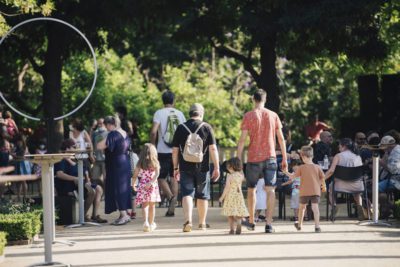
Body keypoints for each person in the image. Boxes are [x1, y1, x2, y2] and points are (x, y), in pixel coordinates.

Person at [237, 89, 288, 233]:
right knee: (270, 189)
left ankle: (252, 221)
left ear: (253, 99)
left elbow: (242, 141)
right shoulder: (273, 115)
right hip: (271, 157)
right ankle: (269, 224)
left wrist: (238, 160)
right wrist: (284, 158)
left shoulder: (248, 116)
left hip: (253, 158)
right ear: (265, 99)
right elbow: (281, 139)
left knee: (251, 189)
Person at [172, 103, 220, 232]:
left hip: (185, 166)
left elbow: (175, 151)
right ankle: (202, 223)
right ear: (201, 113)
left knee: (187, 193)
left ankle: (188, 221)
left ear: (190, 113)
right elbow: (213, 148)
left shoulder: (181, 128)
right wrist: (217, 167)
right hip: (202, 167)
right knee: (202, 195)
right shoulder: (207, 127)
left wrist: (175, 168)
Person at [150, 91, 185, 217]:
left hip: (162, 151)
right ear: (173, 101)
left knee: (160, 177)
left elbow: (154, 132)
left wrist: (152, 146)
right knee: (174, 176)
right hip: (177, 150)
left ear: (162, 100)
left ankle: (170, 197)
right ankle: (172, 207)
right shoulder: (180, 114)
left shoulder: (159, 113)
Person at [55, 139, 107, 223]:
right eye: (74, 147)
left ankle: (94, 215)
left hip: (80, 183)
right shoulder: (62, 159)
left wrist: (87, 179)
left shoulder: (76, 158)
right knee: (92, 191)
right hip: (69, 186)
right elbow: (59, 174)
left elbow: (84, 171)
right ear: (67, 149)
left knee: (99, 189)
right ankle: (83, 216)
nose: (76, 148)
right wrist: (75, 178)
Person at [97, 116, 132, 225]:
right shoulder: (124, 133)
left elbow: (99, 146)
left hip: (116, 163)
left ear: (108, 124)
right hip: (125, 161)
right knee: (124, 187)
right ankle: (125, 213)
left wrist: (105, 136)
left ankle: (124, 215)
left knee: (117, 188)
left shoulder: (113, 134)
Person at [284, 146, 326, 232]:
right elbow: (322, 178)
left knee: (302, 208)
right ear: (312, 156)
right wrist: (323, 186)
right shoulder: (318, 167)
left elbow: (293, 177)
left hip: (304, 191)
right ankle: (317, 226)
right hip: (315, 190)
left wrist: (285, 172)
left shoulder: (301, 168)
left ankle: (299, 225)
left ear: (303, 157)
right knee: (315, 208)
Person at [325, 138, 365, 220]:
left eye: (339, 144)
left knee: (330, 188)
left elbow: (331, 171)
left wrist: (322, 179)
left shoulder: (338, 156)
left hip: (340, 185)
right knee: (357, 193)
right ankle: (359, 206)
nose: (338, 146)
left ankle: (334, 206)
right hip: (357, 185)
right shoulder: (358, 156)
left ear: (344, 146)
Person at [132, 143, 161, 232]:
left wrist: (133, 184)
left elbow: (135, 175)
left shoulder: (140, 163)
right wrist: (151, 182)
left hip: (143, 185)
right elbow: (157, 174)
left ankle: (145, 223)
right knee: (152, 205)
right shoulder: (155, 161)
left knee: (144, 205)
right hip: (152, 186)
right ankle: (151, 223)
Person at [219, 157, 249, 235]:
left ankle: (232, 229)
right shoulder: (241, 176)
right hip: (239, 195)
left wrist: (222, 197)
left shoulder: (229, 176)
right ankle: (239, 222)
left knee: (230, 214)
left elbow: (227, 187)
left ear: (231, 166)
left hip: (230, 196)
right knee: (238, 213)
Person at [282, 158, 302, 222]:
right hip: (301, 190)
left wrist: (283, 184)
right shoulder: (302, 172)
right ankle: (302, 216)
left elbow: (290, 180)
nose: (294, 167)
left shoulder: (295, 173)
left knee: (296, 205)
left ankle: (297, 217)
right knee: (301, 204)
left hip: (296, 190)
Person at [91, 118, 107, 189]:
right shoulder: (95, 133)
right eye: (99, 123)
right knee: (94, 178)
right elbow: (91, 144)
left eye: (101, 123)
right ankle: (98, 192)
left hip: (105, 159)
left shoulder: (108, 133)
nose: (100, 125)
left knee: (106, 178)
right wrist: (91, 154)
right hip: (96, 159)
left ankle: (107, 194)